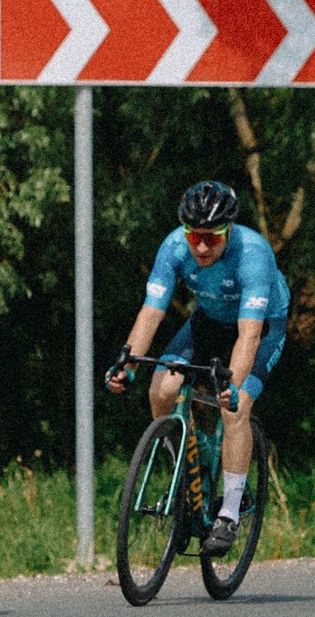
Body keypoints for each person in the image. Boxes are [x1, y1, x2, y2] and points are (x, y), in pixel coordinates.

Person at [102, 180, 288, 555]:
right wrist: (128, 365)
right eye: (194, 236)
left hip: (261, 327)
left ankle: (230, 514)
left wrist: (233, 385)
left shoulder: (252, 254)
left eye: (212, 237)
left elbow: (248, 336)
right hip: (209, 321)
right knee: (162, 390)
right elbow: (150, 313)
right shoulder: (173, 247)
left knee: (234, 408)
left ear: (229, 230)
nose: (201, 246)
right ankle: (186, 477)